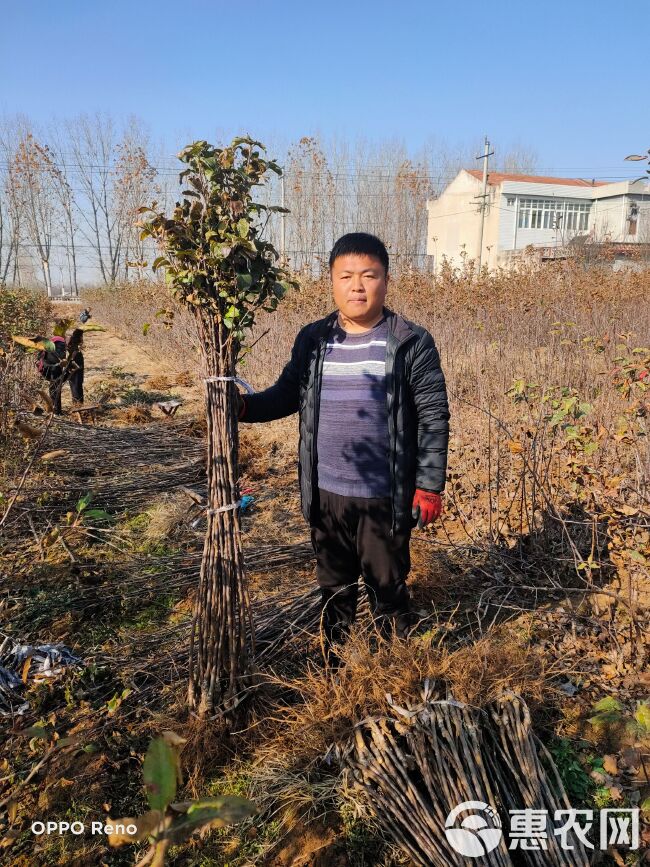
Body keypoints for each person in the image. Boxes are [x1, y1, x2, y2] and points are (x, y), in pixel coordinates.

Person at [239, 233, 450, 663]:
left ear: (386, 281)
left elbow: (433, 416)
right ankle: (335, 664)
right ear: (331, 282)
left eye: (368, 275)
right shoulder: (314, 340)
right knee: (334, 589)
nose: (358, 286)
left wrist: (428, 485)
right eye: (347, 276)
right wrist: (242, 407)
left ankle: (394, 667)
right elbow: (286, 394)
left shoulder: (410, 342)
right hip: (326, 494)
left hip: (383, 499)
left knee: (387, 589)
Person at [66, 328, 85, 406]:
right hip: (76, 365)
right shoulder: (75, 346)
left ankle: (76, 403)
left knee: (74, 384)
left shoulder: (70, 342)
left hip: (72, 366)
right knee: (77, 384)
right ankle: (78, 404)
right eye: (82, 336)